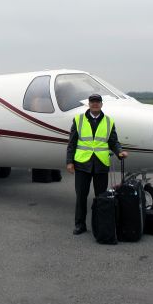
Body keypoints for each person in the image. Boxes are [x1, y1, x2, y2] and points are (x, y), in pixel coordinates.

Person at [66, 93, 128, 235]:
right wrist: (69, 162)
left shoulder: (108, 121)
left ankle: (100, 225)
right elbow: (72, 143)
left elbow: (113, 141)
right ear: (89, 104)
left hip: (100, 164)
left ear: (101, 104)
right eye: (92, 101)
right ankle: (80, 225)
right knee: (81, 196)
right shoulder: (78, 120)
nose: (95, 104)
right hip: (82, 164)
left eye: (97, 101)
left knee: (101, 197)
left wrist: (119, 152)